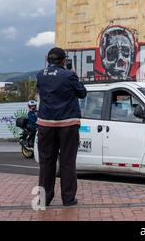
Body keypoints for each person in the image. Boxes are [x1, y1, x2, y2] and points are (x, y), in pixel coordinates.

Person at [36, 47, 87, 206]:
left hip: (45, 123)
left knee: (46, 162)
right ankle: (68, 198)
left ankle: (44, 199)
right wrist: (75, 77)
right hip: (67, 124)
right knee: (67, 161)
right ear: (64, 61)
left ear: (48, 60)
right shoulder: (69, 75)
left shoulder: (40, 75)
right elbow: (82, 93)